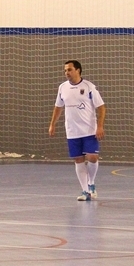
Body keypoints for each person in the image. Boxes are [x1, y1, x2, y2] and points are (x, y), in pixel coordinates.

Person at [48, 60, 106, 201]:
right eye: (65, 70)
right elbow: (58, 107)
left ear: (78, 70)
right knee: (78, 159)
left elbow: (101, 108)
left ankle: (91, 183)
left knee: (92, 157)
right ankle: (85, 191)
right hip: (72, 131)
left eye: (69, 70)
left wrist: (99, 126)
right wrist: (52, 124)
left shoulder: (89, 87)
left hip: (89, 130)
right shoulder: (62, 87)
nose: (66, 72)